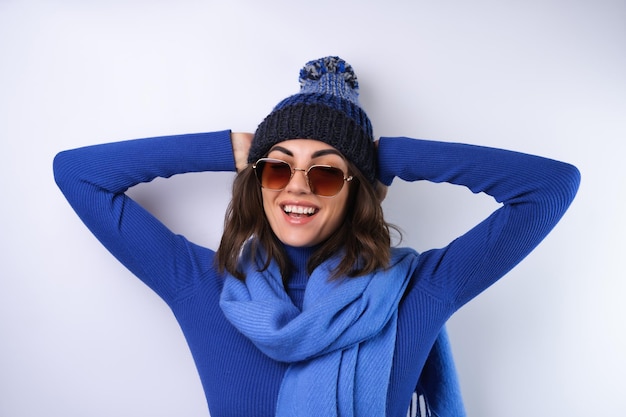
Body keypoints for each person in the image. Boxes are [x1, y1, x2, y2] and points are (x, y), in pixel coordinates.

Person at [53, 56, 580, 417]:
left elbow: (549, 187)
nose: (297, 187)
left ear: (357, 192)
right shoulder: (202, 283)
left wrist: (382, 157)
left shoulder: (417, 290)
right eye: (278, 169)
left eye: (326, 173)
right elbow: (77, 173)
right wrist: (233, 150)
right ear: (257, 182)